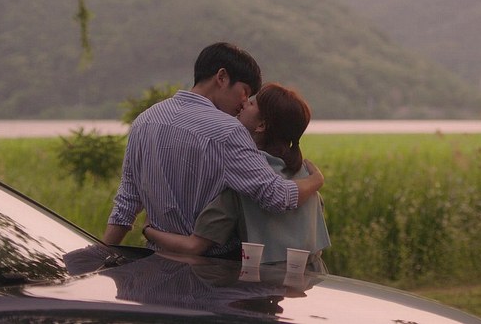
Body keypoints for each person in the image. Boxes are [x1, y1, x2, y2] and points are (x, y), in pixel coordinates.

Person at [103, 43, 324, 249]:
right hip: (212, 271)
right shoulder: (228, 131)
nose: (244, 102)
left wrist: (101, 257)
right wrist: (315, 180)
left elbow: (126, 203)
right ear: (222, 77)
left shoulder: (144, 121)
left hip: (154, 263)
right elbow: (275, 195)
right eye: (245, 91)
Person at [144, 83, 331, 272]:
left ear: (261, 125)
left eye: (252, 103)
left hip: (267, 282)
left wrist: (149, 230)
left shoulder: (244, 180)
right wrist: (318, 180)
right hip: (313, 279)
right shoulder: (306, 174)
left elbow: (194, 247)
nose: (244, 103)